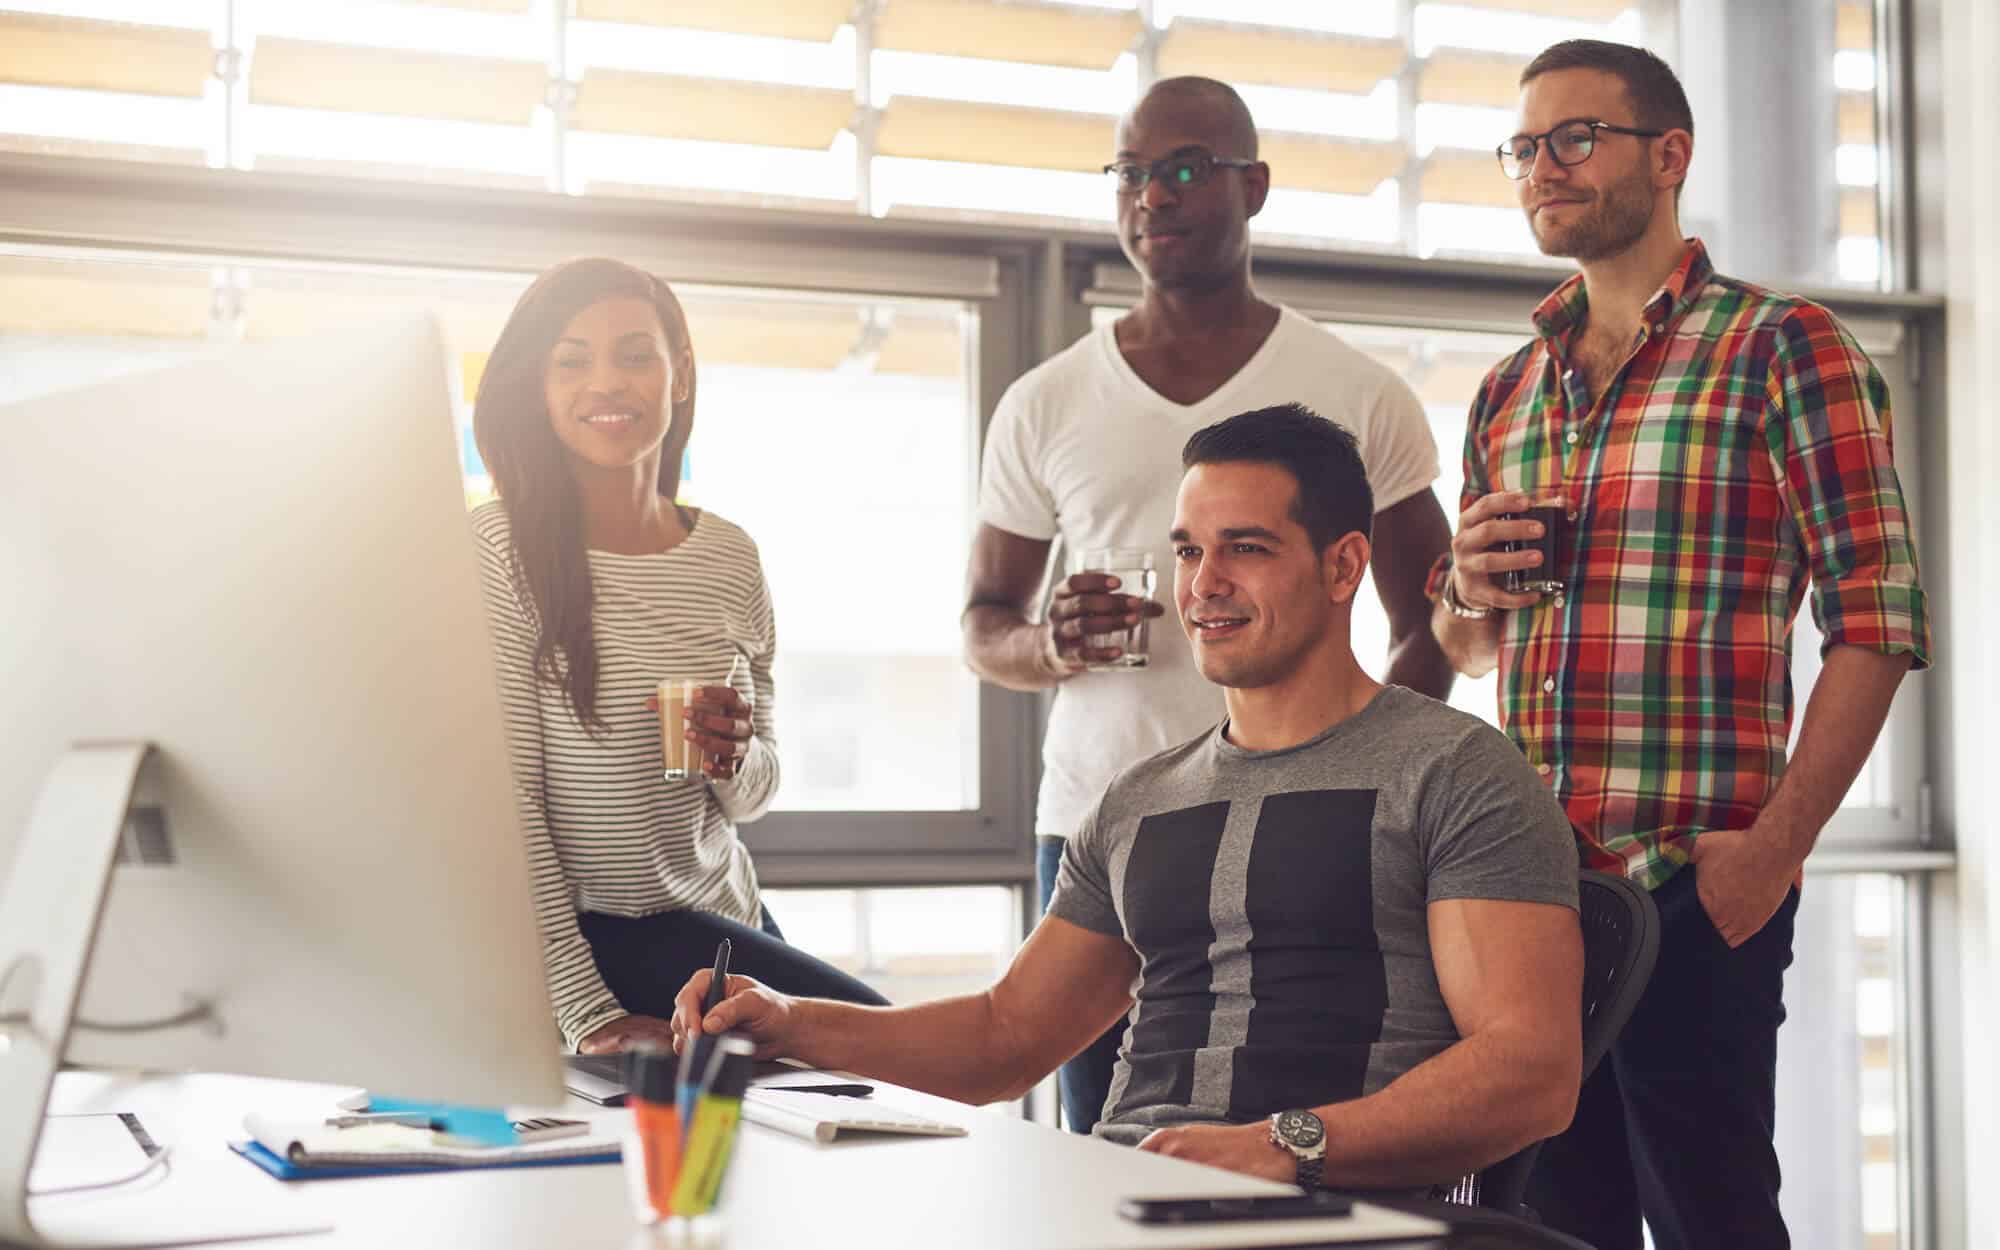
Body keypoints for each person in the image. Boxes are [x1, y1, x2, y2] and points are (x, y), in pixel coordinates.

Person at [683, 405, 1582, 1195]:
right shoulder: (1137, 802)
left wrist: (1284, 1145)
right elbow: (1005, 1037)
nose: (1202, 584)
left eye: (1247, 548)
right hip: (1112, 1200)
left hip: (1323, 1210)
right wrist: (793, 1024)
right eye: (1190, 549)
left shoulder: (1456, 771)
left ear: (1345, 565)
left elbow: (1532, 1070)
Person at [1429, 41, 1931, 1250]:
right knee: (1545, 1227)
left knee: (1711, 1222)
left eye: (1571, 139)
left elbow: (1876, 616)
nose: (1537, 169)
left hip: (1687, 887)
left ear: (1668, 155)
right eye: (1520, 148)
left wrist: (1773, 848)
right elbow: (1468, 643)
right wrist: (1462, 584)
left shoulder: (1782, 348)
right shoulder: (1509, 390)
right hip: (1527, 898)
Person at [965, 75, 1456, 1134]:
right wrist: (1044, 643)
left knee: (1301, 1128)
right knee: (1106, 1142)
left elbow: (1430, 615)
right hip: (1103, 826)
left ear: (1255, 187)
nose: (1152, 196)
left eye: (1183, 169)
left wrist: (1367, 763)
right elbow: (981, 620)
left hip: (1315, 827)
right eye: (1130, 174)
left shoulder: (1356, 390)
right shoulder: (1045, 400)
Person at [470, 257, 886, 1056]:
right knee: (889, 1059)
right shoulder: (499, 548)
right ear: (539, 386)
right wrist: (584, 1010)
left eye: (635, 354)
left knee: (872, 1084)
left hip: (723, 931)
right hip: (601, 941)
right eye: (571, 360)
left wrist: (730, 759)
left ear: (680, 374)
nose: (606, 383)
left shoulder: (729, 556)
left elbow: (754, 796)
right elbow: (506, 802)